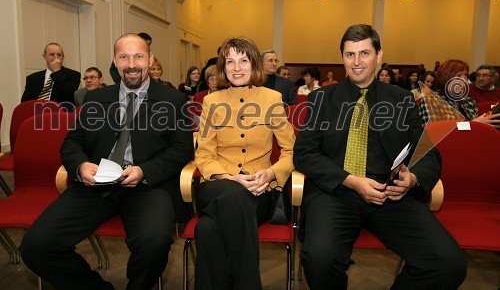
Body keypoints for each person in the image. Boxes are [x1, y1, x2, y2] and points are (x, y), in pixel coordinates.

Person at [293, 24, 467, 290]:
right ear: (342, 57)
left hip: (390, 196)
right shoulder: (322, 99)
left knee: (448, 262)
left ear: (379, 55)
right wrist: (351, 181)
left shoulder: (401, 99)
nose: (357, 62)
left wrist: (412, 179)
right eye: (350, 54)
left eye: (364, 53)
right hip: (335, 193)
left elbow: (428, 152)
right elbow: (304, 154)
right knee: (319, 258)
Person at [20, 33, 194, 290]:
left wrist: (144, 170)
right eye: (124, 57)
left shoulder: (173, 100)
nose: (131, 63)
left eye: (138, 56)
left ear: (150, 58)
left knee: (153, 242)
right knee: (36, 245)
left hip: (147, 187)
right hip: (96, 185)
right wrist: (80, 166)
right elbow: (73, 142)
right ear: (115, 60)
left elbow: (182, 150)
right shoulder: (96, 99)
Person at [194, 37, 295, 290]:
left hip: (258, 191)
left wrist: (272, 173)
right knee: (233, 195)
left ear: (254, 65)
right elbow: (204, 155)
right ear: (223, 67)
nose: (237, 67)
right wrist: (229, 178)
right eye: (230, 61)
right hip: (217, 185)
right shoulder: (211, 102)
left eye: (243, 60)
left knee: (207, 230)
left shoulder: (272, 99)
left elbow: (292, 150)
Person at [418, 59, 500, 127]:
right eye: (458, 76)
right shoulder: (431, 100)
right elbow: (436, 131)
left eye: (465, 76)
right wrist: (474, 124)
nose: (463, 80)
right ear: (446, 77)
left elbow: (472, 130)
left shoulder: (468, 101)